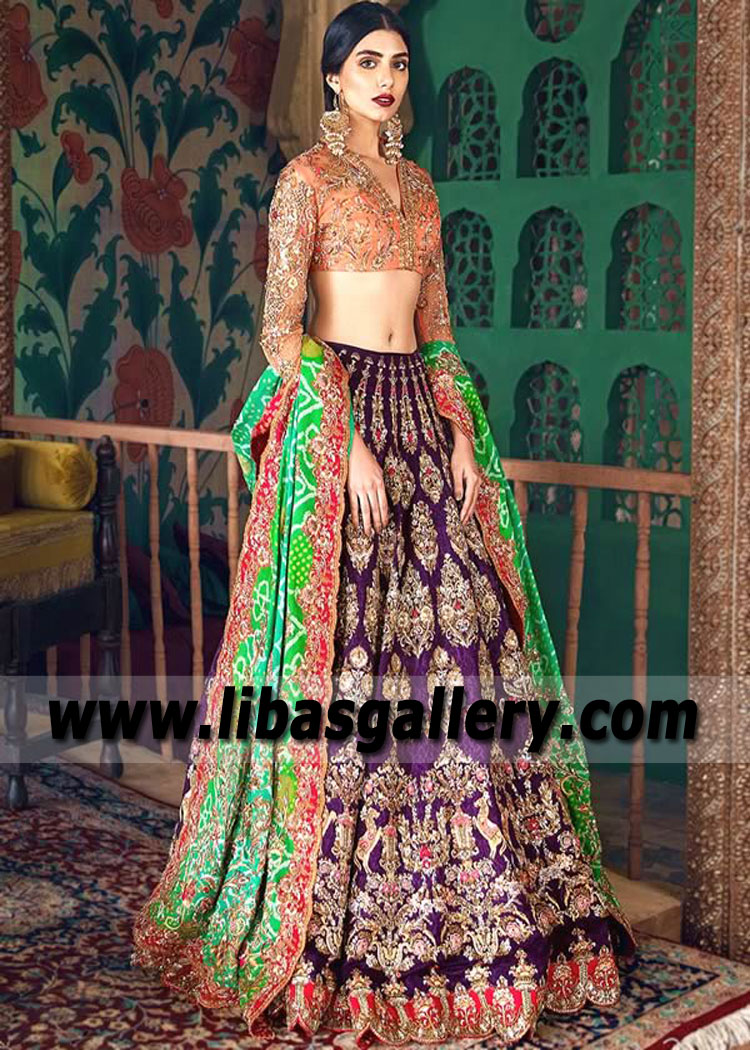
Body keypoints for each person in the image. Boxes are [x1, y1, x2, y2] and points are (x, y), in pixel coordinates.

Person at [132, 2, 636, 1044]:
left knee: (462, 648)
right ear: (332, 77)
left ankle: (474, 898)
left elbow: (438, 328)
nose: (387, 79)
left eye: (399, 63)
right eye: (367, 61)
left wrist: (458, 429)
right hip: (344, 419)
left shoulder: (421, 188)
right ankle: (341, 909)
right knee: (350, 660)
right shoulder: (305, 183)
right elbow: (280, 331)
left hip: (421, 416)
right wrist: (345, 438)